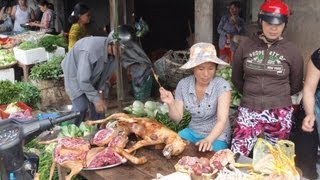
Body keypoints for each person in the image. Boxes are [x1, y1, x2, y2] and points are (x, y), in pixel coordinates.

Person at [230, 0, 304, 156]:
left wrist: (275, 96)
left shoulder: (292, 50)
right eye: (269, 23)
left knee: (277, 158)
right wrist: (252, 93)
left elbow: (296, 84)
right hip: (249, 107)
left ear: (285, 24)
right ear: (260, 21)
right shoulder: (246, 45)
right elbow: (236, 77)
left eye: (279, 23)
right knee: (237, 153)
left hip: (280, 110)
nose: (273, 27)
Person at [159, 42, 232, 152]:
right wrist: (170, 103)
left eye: (211, 68)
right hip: (192, 132)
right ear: (193, 68)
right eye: (201, 69)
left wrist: (208, 140)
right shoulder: (183, 84)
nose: (206, 74)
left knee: (208, 159)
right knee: (174, 146)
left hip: (217, 136)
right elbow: (177, 118)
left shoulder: (222, 86)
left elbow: (222, 120)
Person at [292, 48, 320, 180]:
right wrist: (310, 114)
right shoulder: (319, 56)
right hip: (315, 109)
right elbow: (309, 89)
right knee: (305, 163)